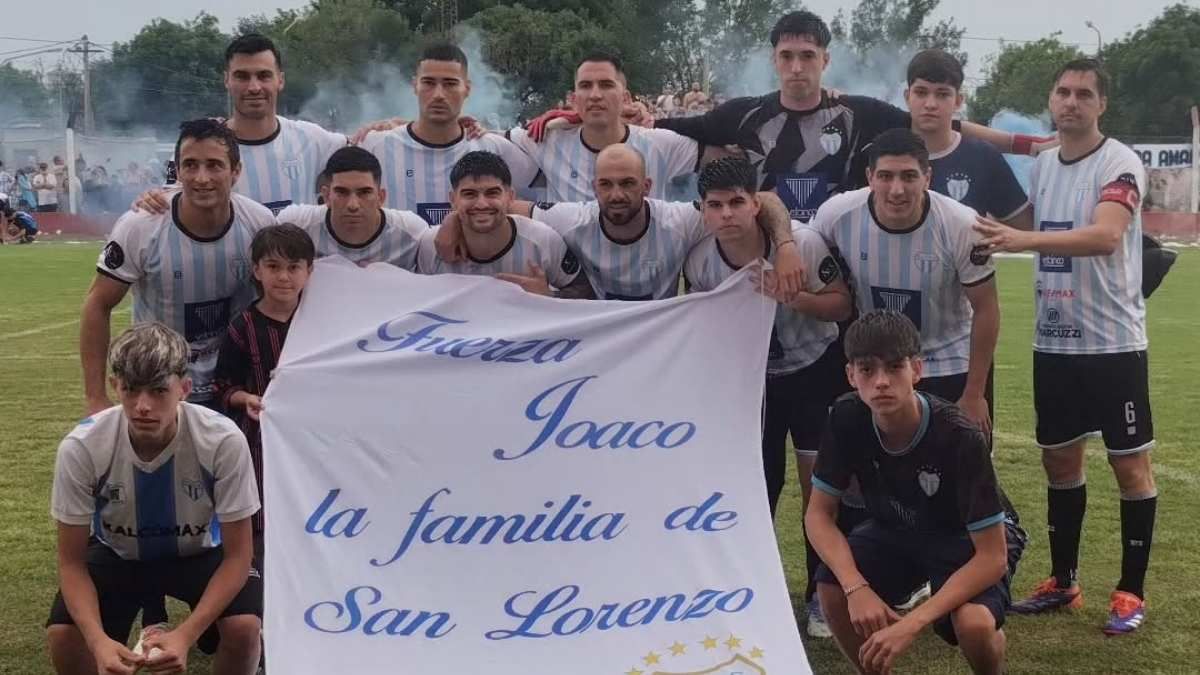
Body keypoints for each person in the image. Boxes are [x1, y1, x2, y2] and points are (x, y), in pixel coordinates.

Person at [973, 58, 1157, 635]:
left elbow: (1105, 235)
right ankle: (1064, 580)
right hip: (1054, 342)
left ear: (1102, 104)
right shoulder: (1046, 159)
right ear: (1052, 101)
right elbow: (1005, 138)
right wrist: (949, 121)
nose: (1071, 101)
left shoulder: (1120, 162)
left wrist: (1022, 238)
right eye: (1062, 92)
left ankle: (1130, 592)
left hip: (1113, 345)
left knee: (1130, 467)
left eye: (1083, 94)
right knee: (1059, 462)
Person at [651, 11, 1050, 222]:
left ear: (825, 59)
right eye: (787, 56)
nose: (796, 67)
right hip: (767, 252)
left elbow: (943, 124)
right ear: (774, 59)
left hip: (838, 265)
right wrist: (633, 118)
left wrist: (1026, 145)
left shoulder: (859, 112)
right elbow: (679, 130)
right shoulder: (745, 114)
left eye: (807, 56)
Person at [684, 157, 852, 635]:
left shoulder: (802, 243)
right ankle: (750, 592)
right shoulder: (700, 260)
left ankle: (820, 594)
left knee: (819, 486)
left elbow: (842, 304)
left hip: (812, 369)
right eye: (715, 206)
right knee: (755, 489)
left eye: (737, 202)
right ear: (703, 212)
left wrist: (794, 298)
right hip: (752, 380)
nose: (727, 214)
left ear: (756, 203)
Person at [807, 310, 1025, 675]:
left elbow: (992, 557)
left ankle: (990, 659)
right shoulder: (845, 417)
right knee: (830, 588)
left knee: (973, 625)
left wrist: (912, 624)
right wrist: (855, 586)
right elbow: (818, 514)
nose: (881, 382)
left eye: (894, 368)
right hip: (898, 528)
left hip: (967, 538)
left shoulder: (959, 436)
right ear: (850, 375)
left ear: (917, 370)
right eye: (867, 370)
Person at [46, 323, 262, 675]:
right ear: (116, 387)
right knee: (64, 636)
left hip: (200, 552)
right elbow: (71, 563)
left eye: (159, 391)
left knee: (244, 629)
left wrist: (185, 635)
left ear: (184, 389)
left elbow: (239, 556)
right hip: (119, 554)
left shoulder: (222, 440)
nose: (142, 406)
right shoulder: (82, 447)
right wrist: (97, 641)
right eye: (131, 390)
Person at [435, 144, 807, 302]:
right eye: (607, 184)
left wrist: (787, 246)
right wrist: (453, 219)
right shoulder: (572, 219)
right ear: (594, 187)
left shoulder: (679, 220)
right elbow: (501, 204)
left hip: (655, 344)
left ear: (646, 186)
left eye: (628, 183)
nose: (616, 194)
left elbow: (767, 200)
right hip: (599, 344)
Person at [81, 118, 276, 415]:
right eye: (191, 165)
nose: (201, 177)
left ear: (235, 172)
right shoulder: (141, 226)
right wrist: (95, 397)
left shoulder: (258, 223)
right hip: (159, 389)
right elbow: (97, 303)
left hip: (234, 388)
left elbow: (280, 301)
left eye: (214, 165)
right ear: (178, 171)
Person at [811, 129, 999, 434]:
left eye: (909, 176)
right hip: (878, 366)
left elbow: (987, 309)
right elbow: (805, 247)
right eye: (885, 176)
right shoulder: (837, 214)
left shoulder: (963, 224)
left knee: (960, 473)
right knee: (878, 472)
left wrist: (974, 393)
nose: (897, 189)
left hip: (949, 363)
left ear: (927, 177)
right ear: (870, 177)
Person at [357, 42, 539, 224]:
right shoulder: (375, 145)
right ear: (414, 86)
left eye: (450, 84)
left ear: (467, 89)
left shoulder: (492, 147)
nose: (438, 94)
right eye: (428, 83)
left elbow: (551, 181)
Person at [214, 223, 314, 554]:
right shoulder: (242, 327)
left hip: (314, 441)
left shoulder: (322, 321)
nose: (284, 277)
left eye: (293, 267)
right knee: (263, 515)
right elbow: (223, 386)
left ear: (309, 271)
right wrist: (246, 399)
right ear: (257, 270)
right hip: (260, 442)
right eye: (273, 267)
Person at [508, 51, 708, 202]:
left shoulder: (659, 143)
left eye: (606, 85)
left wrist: (656, 122)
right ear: (574, 99)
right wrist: (475, 125)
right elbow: (486, 141)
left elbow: (723, 151)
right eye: (586, 86)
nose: (595, 95)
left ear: (626, 97)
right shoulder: (546, 137)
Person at [417, 151, 593, 299]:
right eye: (469, 194)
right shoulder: (430, 245)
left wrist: (549, 297)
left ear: (510, 197)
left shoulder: (542, 240)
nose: (482, 204)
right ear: (453, 200)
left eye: (492, 193)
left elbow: (586, 292)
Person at [905, 49, 1033, 230]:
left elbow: (1026, 228)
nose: (930, 104)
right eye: (921, 92)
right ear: (907, 97)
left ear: (958, 101)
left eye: (942, 94)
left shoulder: (983, 157)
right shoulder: (883, 155)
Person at [277, 147, 427, 268]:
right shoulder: (297, 225)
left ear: (380, 197)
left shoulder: (412, 233)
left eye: (364, 192)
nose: (353, 205)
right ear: (326, 196)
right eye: (342, 192)